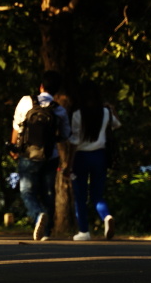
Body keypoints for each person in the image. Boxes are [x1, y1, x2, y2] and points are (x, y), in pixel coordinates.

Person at [11, 70, 70, 241]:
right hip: (50, 156)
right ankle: (46, 232)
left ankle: (38, 215)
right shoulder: (59, 110)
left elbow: (17, 125)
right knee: (48, 193)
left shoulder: (26, 101)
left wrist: (14, 148)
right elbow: (65, 135)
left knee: (27, 192)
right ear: (56, 91)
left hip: (28, 155)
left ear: (41, 86)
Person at [67, 81, 121, 241]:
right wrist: (112, 109)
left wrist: (68, 165)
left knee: (80, 196)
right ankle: (106, 216)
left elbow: (74, 141)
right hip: (100, 156)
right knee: (97, 195)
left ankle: (84, 231)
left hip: (81, 157)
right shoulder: (105, 112)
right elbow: (117, 125)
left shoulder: (77, 114)